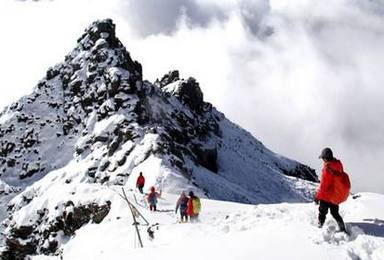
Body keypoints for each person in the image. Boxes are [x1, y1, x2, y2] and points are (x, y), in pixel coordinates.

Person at [315, 147, 349, 233]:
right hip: (335, 195)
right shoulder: (338, 164)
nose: (322, 160)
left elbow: (323, 186)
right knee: (335, 213)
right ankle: (342, 228)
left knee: (322, 212)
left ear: (326, 158)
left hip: (327, 196)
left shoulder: (327, 169)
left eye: (323, 158)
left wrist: (317, 197)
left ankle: (320, 225)